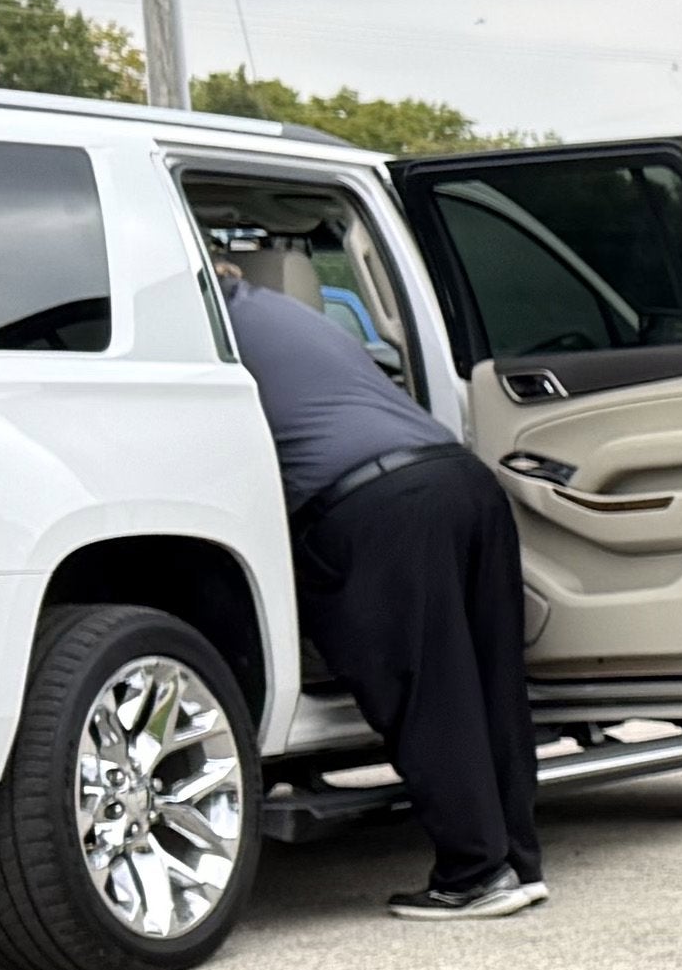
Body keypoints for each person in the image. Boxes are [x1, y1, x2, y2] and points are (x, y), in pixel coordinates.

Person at [223, 278, 546, 919]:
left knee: (427, 690)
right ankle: (516, 861)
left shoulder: (206, 328)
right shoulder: (285, 313)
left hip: (379, 505)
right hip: (462, 480)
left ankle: (475, 874)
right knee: (492, 685)